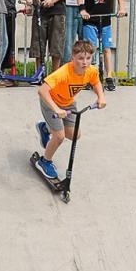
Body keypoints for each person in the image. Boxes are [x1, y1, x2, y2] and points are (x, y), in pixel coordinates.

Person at [34, 40, 108, 182]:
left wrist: (101, 97)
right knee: (60, 136)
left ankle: (45, 128)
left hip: (68, 103)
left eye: (88, 58)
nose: (84, 62)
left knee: (75, 135)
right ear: (72, 58)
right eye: (80, 58)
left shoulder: (91, 71)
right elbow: (42, 90)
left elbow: (96, 82)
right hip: (51, 102)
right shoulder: (63, 72)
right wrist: (56, 108)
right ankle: (44, 161)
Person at [76, 0, 124, 90]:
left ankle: (109, 75)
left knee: (107, 48)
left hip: (106, 19)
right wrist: (82, 9)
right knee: (91, 49)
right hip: (91, 20)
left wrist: (122, 8)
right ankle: (89, 76)